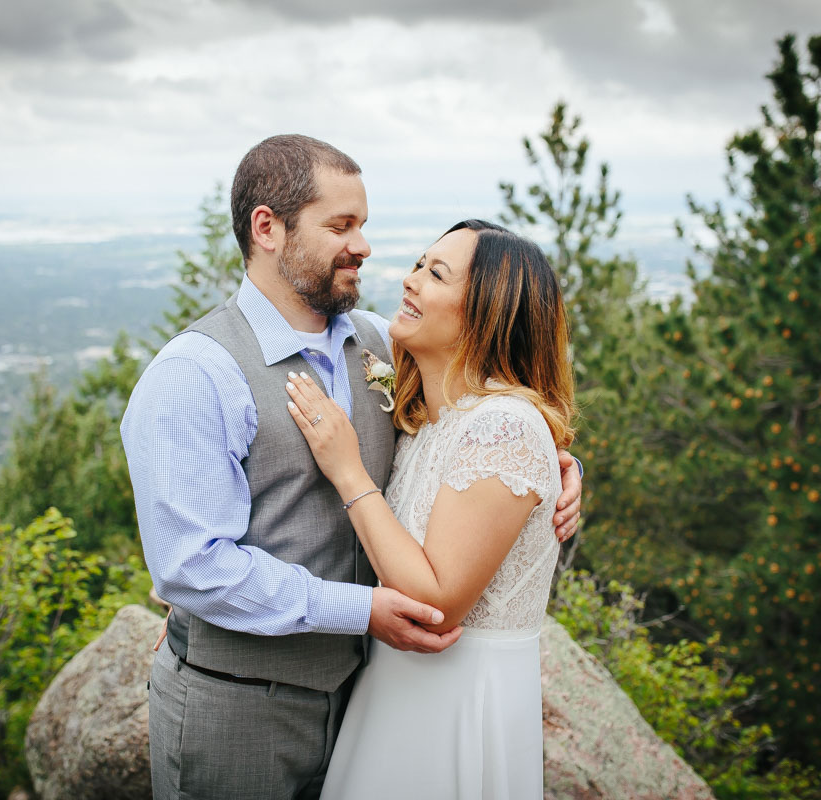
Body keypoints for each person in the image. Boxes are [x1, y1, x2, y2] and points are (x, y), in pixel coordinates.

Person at [120, 136, 583, 799]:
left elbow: (472, 433)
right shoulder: (195, 373)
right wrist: (361, 609)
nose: (364, 246)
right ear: (267, 228)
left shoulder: (375, 343)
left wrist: (555, 466)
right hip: (241, 709)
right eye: (341, 226)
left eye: (362, 224)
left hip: (365, 697)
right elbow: (190, 565)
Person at [282, 219, 575, 798]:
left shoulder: (504, 427)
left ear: (487, 313)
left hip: (457, 701)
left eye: (435, 274)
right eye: (419, 265)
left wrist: (347, 470)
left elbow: (436, 603)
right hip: (393, 688)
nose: (410, 281)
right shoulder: (427, 421)